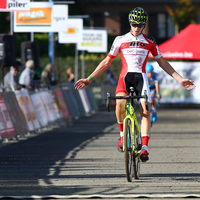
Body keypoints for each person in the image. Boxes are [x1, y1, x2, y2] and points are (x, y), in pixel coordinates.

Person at [74, 7, 196, 162]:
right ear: (129, 23)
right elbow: (106, 62)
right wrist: (89, 79)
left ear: (144, 25)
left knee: (145, 110)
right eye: (133, 24)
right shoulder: (119, 40)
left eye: (139, 25)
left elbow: (163, 63)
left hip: (141, 78)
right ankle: (121, 136)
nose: (136, 28)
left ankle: (144, 148)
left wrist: (180, 79)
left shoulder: (150, 42)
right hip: (124, 78)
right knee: (119, 104)